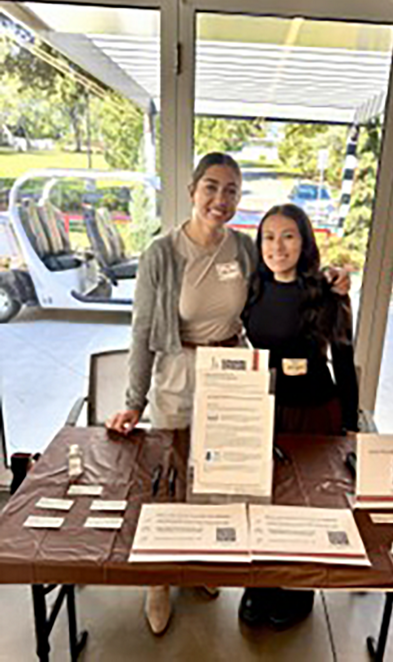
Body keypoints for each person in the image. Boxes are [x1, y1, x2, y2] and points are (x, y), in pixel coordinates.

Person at [106, 152, 350, 636]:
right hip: (178, 372)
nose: (221, 199)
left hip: (233, 372)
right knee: (170, 480)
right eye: (212, 187)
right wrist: (134, 400)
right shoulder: (162, 253)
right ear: (194, 190)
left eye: (232, 190)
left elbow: (289, 277)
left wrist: (333, 278)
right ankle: (158, 581)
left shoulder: (243, 248)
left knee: (217, 480)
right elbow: (140, 332)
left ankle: (198, 568)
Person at [238, 203, 359, 630]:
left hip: (314, 411)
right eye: (268, 236)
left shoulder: (327, 292)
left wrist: (350, 425)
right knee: (265, 499)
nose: (277, 245)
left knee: (307, 504)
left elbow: (344, 360)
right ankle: (262, 582)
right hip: (266, 410)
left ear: (305, 241)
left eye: (288, 235)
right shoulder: (252, 288)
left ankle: (299, 585)